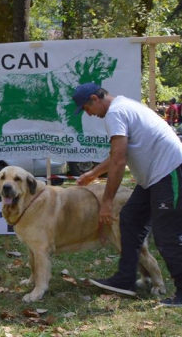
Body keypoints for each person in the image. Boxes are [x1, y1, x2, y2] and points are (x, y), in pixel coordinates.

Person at [72, 82, 182, 307]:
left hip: (169, 171)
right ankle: (125, 280)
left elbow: (120, 160)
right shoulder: (122, 107)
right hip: (152, 178)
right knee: (130, 219)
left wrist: (107, 202)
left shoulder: (115, 113)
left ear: (95, 98)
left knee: (166, 235)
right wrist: (93, 173)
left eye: (86, 108)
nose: (89, 114)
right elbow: (117, 154)